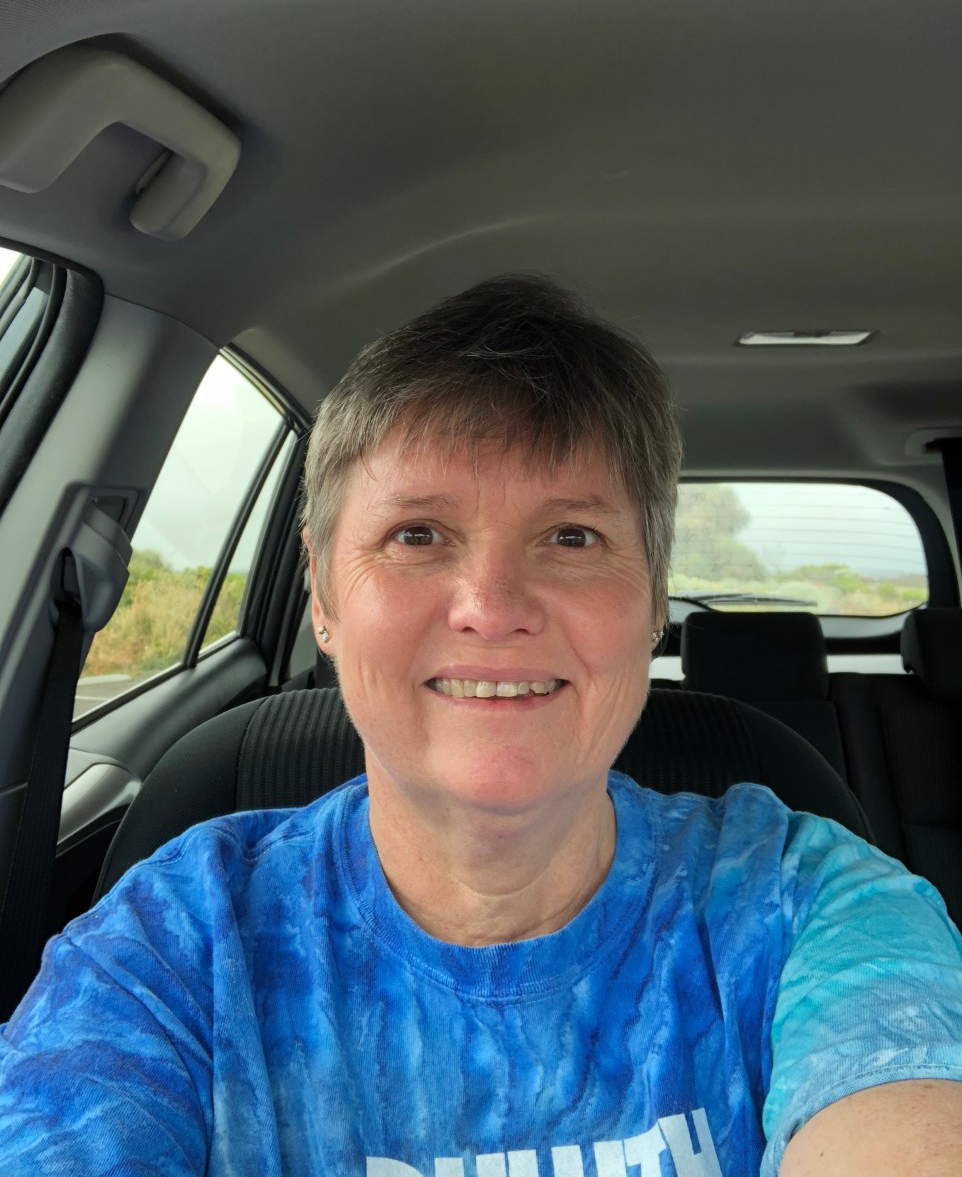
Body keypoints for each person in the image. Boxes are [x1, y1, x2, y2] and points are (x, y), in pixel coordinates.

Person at [2, 274, 962, 1176]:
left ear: (653, 601)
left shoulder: (807, 903)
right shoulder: (177, 942)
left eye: (572, 536)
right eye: (417, 534)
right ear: (323, 592)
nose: (492, 607)